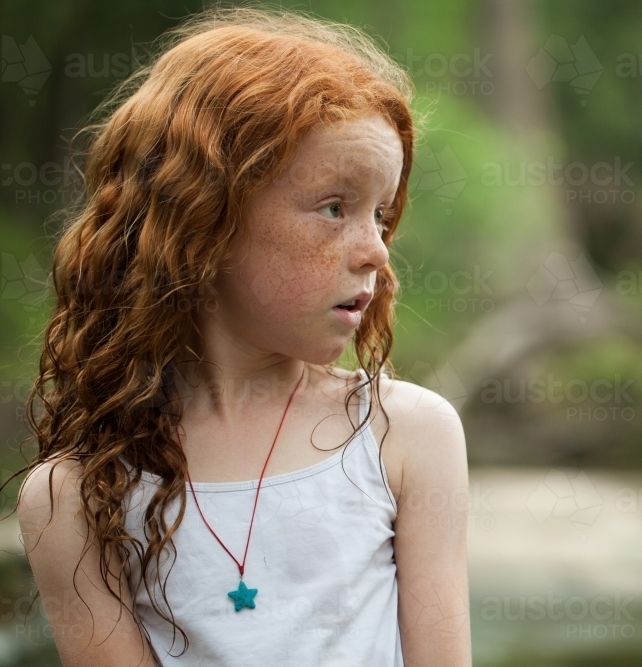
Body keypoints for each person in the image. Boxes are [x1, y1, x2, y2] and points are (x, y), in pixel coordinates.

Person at [11, 6, 471, 666]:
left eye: (381, 214)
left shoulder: (404, 434)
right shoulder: (73, 498)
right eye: (334, 207)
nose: (376, 251)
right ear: (203, 216)